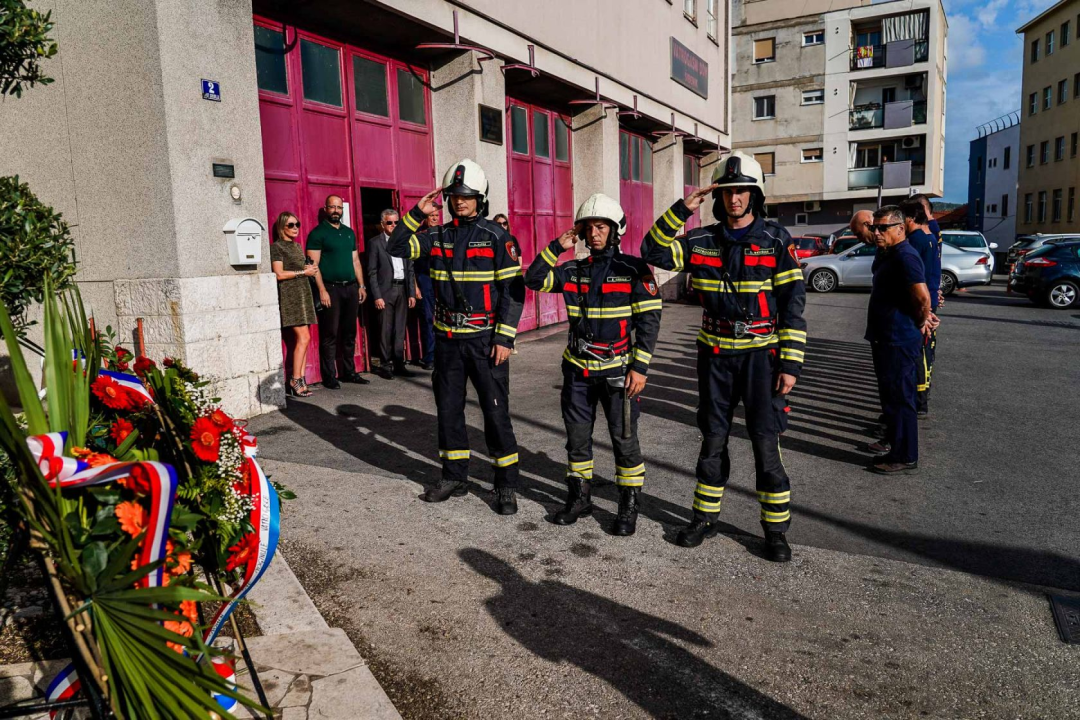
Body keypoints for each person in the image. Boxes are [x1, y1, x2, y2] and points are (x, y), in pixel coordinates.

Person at [640, 151, 807, 563]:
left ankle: (775, 531)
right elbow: (652, 251)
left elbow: (793, 303)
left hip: (760, 359)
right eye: (728, 191)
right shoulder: (699, 241)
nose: (735, 199)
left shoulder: (775, 240)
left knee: (766, 445)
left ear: (755, 195)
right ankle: (704, 518)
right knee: (713, 441)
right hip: (714, 357)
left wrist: (790, 364)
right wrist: (683, 208)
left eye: (742, 191)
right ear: (719, 196)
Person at [387, 159, 526, 514]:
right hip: (447, 341)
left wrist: (504, 339)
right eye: (454, 196)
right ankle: (454, 476)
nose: (459, 202)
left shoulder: (497, 237)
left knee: (496, 414)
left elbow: (513, 292)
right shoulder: (434, 236)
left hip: (484, 342)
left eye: (466, 196)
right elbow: (396, 247)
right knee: (449, 412)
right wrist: (418, 213)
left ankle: (506, 484)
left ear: (480, 198)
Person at [524, 194, 661, 536]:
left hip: (619, 372)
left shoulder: (634, 270)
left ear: (615, 231)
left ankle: (628, 507)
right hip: (578, 371)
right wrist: (558, 245)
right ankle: (579, 499)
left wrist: (640, 367)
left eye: (602, 227)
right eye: (589, 228)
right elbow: (533, 280)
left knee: (624, 440)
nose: (595, 234)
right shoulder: (572, 270)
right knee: (577, 440)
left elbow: (650, 321)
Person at [865, 206, 939, 475]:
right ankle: (895, 445)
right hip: (885, 337)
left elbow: (922, 297)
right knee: (890, 397)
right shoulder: (888, 252)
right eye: (874, 227)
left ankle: (905, 455)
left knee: (901, 398)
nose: (876, 232)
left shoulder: (906, 256)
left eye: (882, 228)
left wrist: (923, 320)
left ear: (900, 228)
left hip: (899, 338)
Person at [307, 195, 369, 389]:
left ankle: (349, 372)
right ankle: (329, 376)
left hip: (350, 287)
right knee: (330, 334)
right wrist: (322, 290)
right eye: (332, 207)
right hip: (330, 288)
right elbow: (313, 265)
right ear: (326, 209)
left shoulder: (349, 233)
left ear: (342, 210)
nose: (336, 211)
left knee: (350, 332)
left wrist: (361, 285)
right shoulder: (317, 234)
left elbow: (356, 261)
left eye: (339, 208)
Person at [899, 198, 941, 418]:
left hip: (921, 305)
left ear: (908, 219)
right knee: (924, 352)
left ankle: (918, 400)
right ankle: (921, 398)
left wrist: (923, 311)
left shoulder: (915, 240)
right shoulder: (929, 237)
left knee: (918, 354)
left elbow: (916, 278)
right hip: (929, 300)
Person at [270, 211, 319, 397]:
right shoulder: (277, 247)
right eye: (291, 225)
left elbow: (300, 269)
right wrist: (302, 273)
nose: (295, 228)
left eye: (297, 224)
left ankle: (301, 379)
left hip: (303, 293)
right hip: (290, 296)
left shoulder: (297, 246)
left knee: (304, 338)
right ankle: (295, 379)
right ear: (282, 226)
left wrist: (310, 270)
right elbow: (279, 274)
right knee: (304, 338)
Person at [367, 209, 417, 380]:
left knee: (400, 328)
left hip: (402, 288)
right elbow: (372, 272)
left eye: (396, 222)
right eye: (390, 223)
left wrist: (411, 292)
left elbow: (410, 269)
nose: (393, 226)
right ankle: (385, 364)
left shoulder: (405, 241)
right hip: (385, 291)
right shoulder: (375, 243)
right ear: (382, 224)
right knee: (385, 329)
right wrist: (377, 296)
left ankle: (399, 363)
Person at [412, 208, 440, 371]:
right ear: (425, 218)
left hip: (441, 280)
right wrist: (415, 286)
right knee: (428, 319)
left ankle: (444, 354)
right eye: (432, 216)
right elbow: (411, 264)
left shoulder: (443, 234)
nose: (435, 218)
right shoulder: (419, 236)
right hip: (424, 279)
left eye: (437, 216)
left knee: (444, 319)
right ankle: (429, 356)